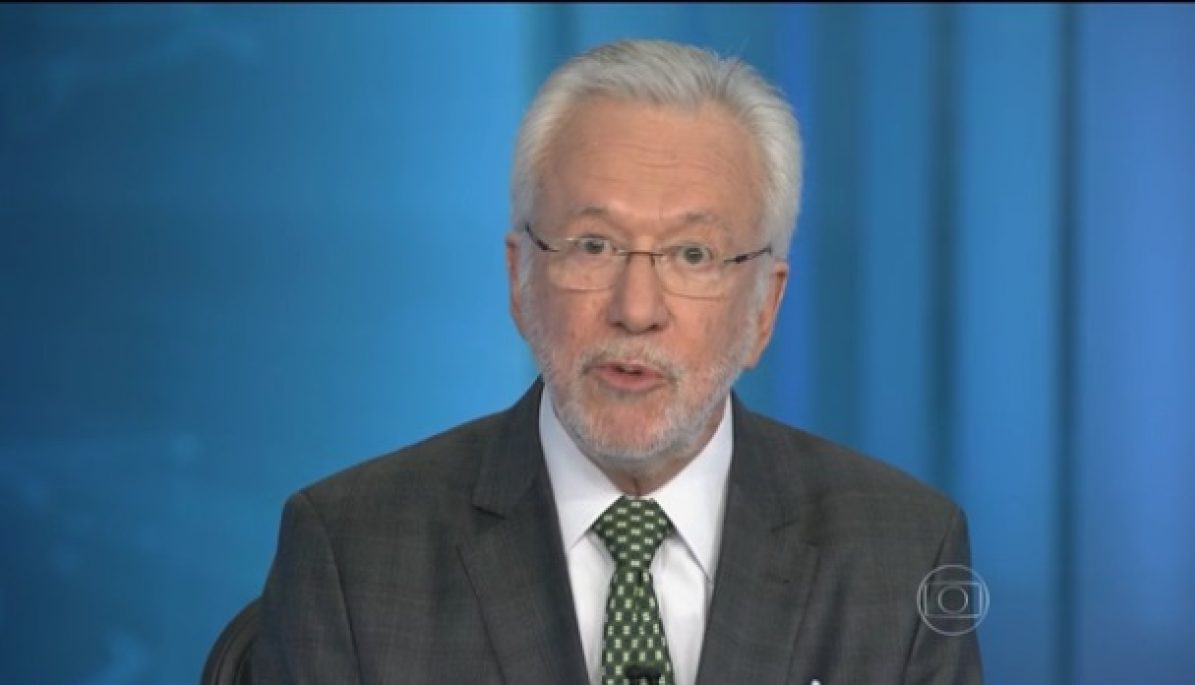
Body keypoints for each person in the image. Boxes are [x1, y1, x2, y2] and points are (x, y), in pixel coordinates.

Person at [251, 39, 982, 684]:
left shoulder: (903, 554)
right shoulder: (351, 550)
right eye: (594, 245)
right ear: (520, 278)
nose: (636, 308)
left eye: (692, 255)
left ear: (764, 307)